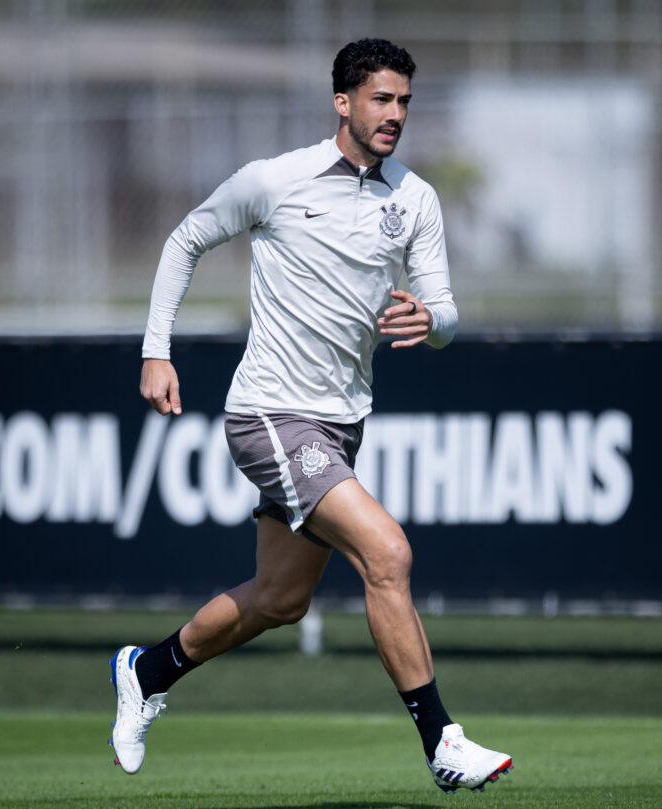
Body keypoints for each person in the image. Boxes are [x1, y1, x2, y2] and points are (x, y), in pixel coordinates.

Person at [110, 37, 512, 794]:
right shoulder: (275, 179)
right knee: (387, 553)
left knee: (280, 600)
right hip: (269, 412)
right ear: (344, 102)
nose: (395, 115)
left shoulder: (414, 198)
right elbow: (185, 238)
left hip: (340, 423)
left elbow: (448, 307)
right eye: (381, 99)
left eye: (404, 102)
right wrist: (155, 352)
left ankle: (146, 668)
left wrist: (436, 320)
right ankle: (442, 741)